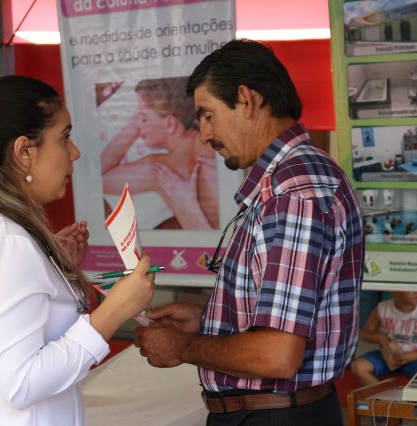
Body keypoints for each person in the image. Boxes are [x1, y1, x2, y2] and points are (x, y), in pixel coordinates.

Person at [133, 39, 364, 426]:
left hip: (277, 416)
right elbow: (290, 318)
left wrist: (183, 346)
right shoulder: (287, 184)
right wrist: (211, 320)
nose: (204, 134)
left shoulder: (294, 193)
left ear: (246, 100)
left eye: (208, 115)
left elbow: (276, 355)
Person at [0, 76, 155, 425]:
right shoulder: (4, 241)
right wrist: (113, 312)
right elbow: (22, 382)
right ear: (24, 152)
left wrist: (51, 270)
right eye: (64, 137)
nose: (75, 153)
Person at [100, 77, 219, 229]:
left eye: (143, 118)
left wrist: (131, 128)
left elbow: (99, 178)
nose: (138, 125)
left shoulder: (162, 171)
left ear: (170, 123)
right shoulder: (218, 144)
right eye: (136, 119)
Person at [350, 292, 417, 386]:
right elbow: (365, 333)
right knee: (358, 367)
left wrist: (412, 356)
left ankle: (410, 393)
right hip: (386, 356)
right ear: (395, 291)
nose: (416, 292)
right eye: (411, 289)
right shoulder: (382, 308)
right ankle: (382, 392)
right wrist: (380, 338)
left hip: (414, 358)